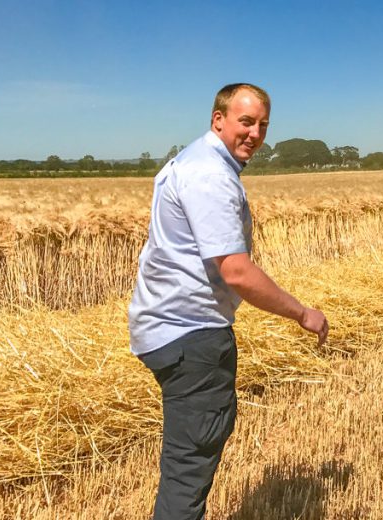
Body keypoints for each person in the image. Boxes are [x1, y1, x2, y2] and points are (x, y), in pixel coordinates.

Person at [128, 83, 328, 520]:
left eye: (262, 125)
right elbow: (235, 270)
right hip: (190, 333)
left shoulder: (192, 161)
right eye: (245, 121)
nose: (255, 134)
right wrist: (302, 313)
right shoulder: (211, 175)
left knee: (186, 461)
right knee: (189, 468)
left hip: (167, 327)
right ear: (218, 119)